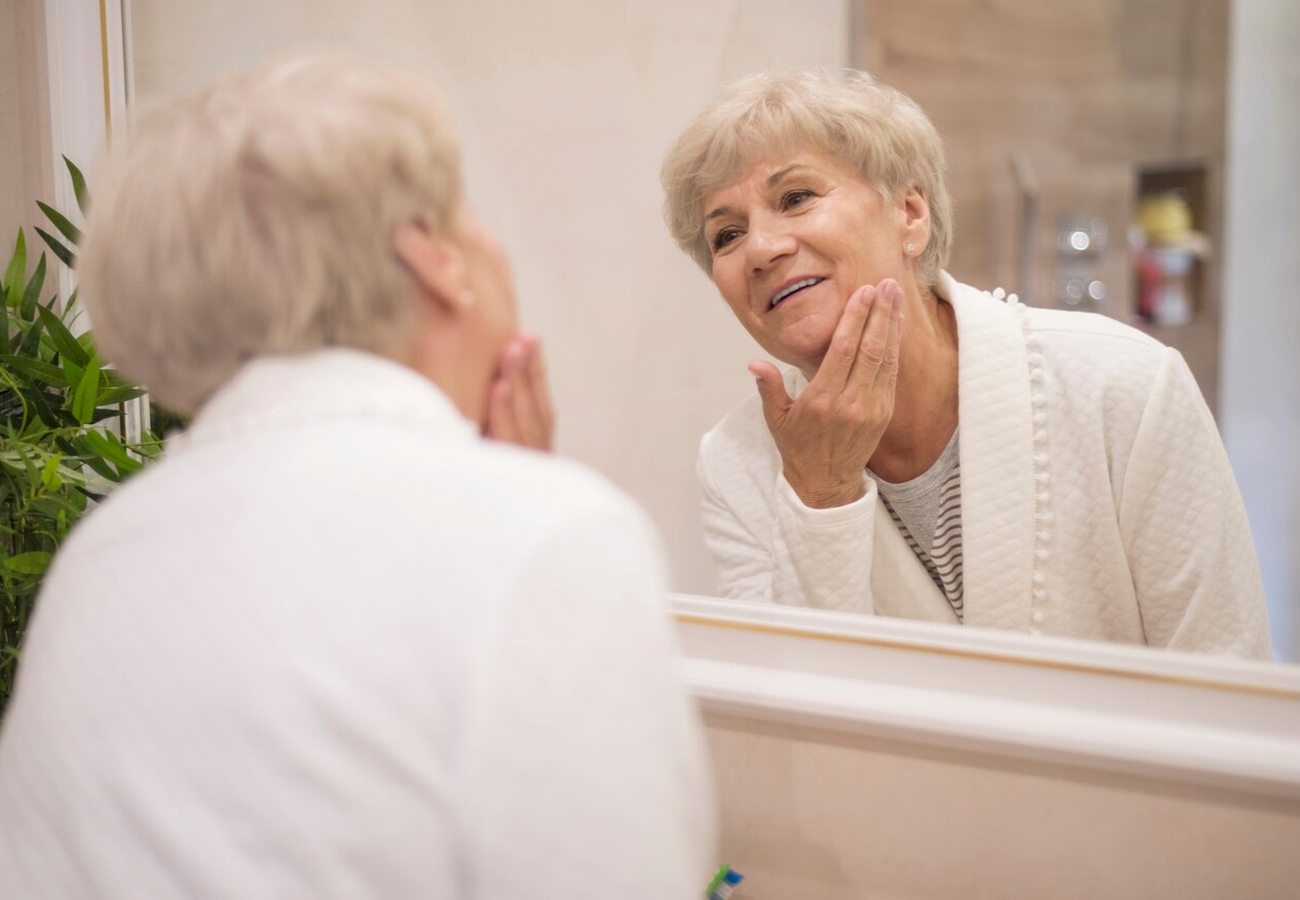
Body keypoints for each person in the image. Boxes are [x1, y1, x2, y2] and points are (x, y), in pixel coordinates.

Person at [0, 56, 713, 898]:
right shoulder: (545, 538)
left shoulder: (101, 555)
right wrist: (516, 511)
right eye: (468, 213)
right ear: (432, 257)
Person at [660, 69, 1271, 659]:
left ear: (910, 214)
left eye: (795, 197)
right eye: (727, 236)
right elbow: (794, 730)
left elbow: (1226, 690)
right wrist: (820, 494)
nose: (761, 249)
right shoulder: (736, 463)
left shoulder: (1127, 387)